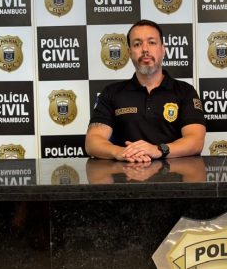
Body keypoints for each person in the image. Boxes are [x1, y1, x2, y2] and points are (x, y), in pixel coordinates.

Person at [86, 19, 206, 162]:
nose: (145, 49)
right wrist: (121, 152)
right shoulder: (111, 92)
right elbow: (92, 141)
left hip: (174, 175)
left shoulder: (185, 91)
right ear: (129, 52)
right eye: (137, 44)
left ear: (163, 49)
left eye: (152, 42)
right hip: (125, 174)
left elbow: (196, 140)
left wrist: (158, 150)